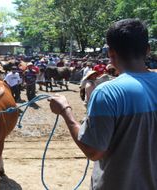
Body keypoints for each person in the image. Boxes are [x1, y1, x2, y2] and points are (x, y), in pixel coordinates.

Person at [48, 19, 157, 189]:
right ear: (148, 50)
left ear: (111, 53)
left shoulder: (107, 93)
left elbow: (93, 151)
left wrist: (65, 111)